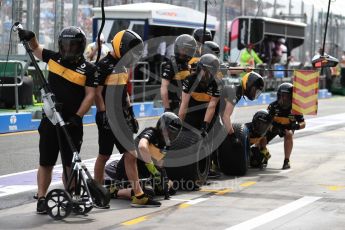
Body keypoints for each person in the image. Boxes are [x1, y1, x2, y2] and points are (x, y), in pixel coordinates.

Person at [18, 26, 97, 214]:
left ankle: (72, 196)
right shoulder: (53, 58)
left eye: (73, 46)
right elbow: (36, 49)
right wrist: (31, 36)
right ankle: (42, 197)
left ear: (80, 46)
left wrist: (77, 117)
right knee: (46, 162)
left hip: (72, 122)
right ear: (61, 45)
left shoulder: (88, 69)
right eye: (65, 45)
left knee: (70, 164)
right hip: (50, 119)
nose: (68, 49)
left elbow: (90, 96)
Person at [94, 29, 161, 207]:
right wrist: (102, 114)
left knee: (131, 154)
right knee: (104, 155)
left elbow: (125, 94)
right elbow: (97, 94)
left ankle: (138, 195)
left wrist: (131, 114)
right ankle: (98, 192)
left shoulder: (123, 67)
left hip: (121, 117)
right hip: (107, 118)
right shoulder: (103, 65)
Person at [106, 112, 182, 199]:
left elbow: (160, 165)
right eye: (168, 132)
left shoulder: (166, 144)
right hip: (129, 170)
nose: (170, 135)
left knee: (171, 187)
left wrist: (163, 179)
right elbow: (142, 146)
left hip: (144, 173)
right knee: (148, 193)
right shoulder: (151, 132)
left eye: (173, 134)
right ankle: (114, 191)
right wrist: (151, 166)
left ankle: (141, 188)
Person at [260, 83, 306, 169]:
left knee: (289, 134)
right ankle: (265, 154)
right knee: (261, 135)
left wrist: (296, 126)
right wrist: (272, 128)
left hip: (288, 127)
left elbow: (303, 123)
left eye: (286, 96)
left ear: (291, 96)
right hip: (274, 126)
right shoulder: (272, 106)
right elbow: (265, 121)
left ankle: (286, 161)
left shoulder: (296, 107)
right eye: (282, 95)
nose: (284, 98)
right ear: (278, 96)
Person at [220, 71, 265, 143]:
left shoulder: (237, 92)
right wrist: (233, 137)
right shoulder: (235, 93)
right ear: (248, 84)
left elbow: (222, 113)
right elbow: (226, 116)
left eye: (256, 92)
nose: (254, 93)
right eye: (254, 90)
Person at [160, 34, 197, 113]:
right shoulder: (171, 64)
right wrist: (167, 108)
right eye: (183, 50)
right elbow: (164, 87)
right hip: (174, 105)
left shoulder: (188, 65)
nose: (185, 52)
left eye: (188, 50)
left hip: (186, 105)